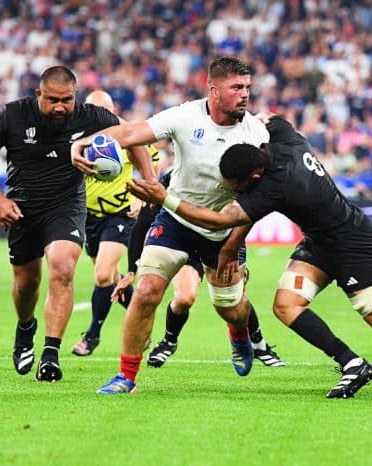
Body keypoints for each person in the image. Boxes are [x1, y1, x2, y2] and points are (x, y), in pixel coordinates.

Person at [128, 114, 372, 400]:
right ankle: (352, 363)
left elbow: (221, 220)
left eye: (235, 186)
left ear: (255, 175)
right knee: (286, 305)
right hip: (319, 241)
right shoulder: (285, 138)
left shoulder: (277, 186)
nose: (232, 191)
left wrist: (165, 199)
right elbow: (271, 118)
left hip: (350, 242)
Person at [70, 57, 270, 394]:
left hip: (223, 230)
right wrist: (83, 143)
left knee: (231, 309)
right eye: (237, 87)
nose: (245, 94)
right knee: (147, 291)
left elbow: (255, 201)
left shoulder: (256, 133)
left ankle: (239, 335)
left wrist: (234, 243)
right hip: (175, 221)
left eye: (247, 87)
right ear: (214, 90)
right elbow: (130, 132)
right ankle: (126, 377)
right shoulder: (184, 116)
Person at [0, 66, 154, 382]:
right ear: (38, 94)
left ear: (75, 96)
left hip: (66, 206)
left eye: (66, 100)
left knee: (63, 267)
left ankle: (50, 356)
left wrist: (149, 179)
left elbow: (133, 136)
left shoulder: (91, 117)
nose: (60, 107)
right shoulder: (12, 115)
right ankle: (26, 326)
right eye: (52, 100)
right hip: (22, 207)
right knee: (26, 283)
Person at [111, 173, 285, 368]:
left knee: (232, 303)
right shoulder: (172, 179)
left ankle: (257, 343)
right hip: (183, 239)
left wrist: (234, 247)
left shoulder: (227, 177)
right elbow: (142, 224)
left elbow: (247, 209)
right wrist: (131, 272)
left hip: (220, 239)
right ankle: (168, 342)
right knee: (184, 298)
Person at [70, 90, 161, 357]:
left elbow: (153, 162)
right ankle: (142, 322)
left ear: (112, 111)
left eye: (104, 110)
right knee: (113, 278)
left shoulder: (126, 133)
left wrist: (140, 198)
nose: (98, 116)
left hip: (120, 214)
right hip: (89, 217)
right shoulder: (78, 138)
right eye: (93, 110)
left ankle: (92, 335)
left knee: (102, 275)